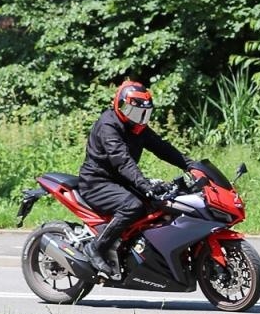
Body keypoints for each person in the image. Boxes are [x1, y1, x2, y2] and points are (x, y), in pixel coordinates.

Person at [77, 80, 192, 280]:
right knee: (133, 206)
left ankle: (139, 252)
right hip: (97, 182)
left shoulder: (137, 127)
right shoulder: (109, 126)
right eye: (134, 112)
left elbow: (161, 147)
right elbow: (122, 161)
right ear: (119, 105)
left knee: (162, 203)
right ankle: (96, 248)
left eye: (143, 113)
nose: (139, 118)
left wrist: (191, 164)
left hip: (119, 180)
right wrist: (145, 185)